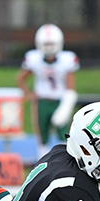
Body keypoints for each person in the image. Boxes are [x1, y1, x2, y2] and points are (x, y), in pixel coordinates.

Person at [17, 23, 79, 160]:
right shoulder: (33, 59)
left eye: (52, 44)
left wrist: (67, 103)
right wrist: (29, 95)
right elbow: (20, 78)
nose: (49, 48)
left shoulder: (66, 60)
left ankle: (65, 162)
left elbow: (70, 86)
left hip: (60, 100)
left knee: (63, 134)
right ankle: (42, 164)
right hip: (42, 101)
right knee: (42, 136)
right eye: (46, 44)